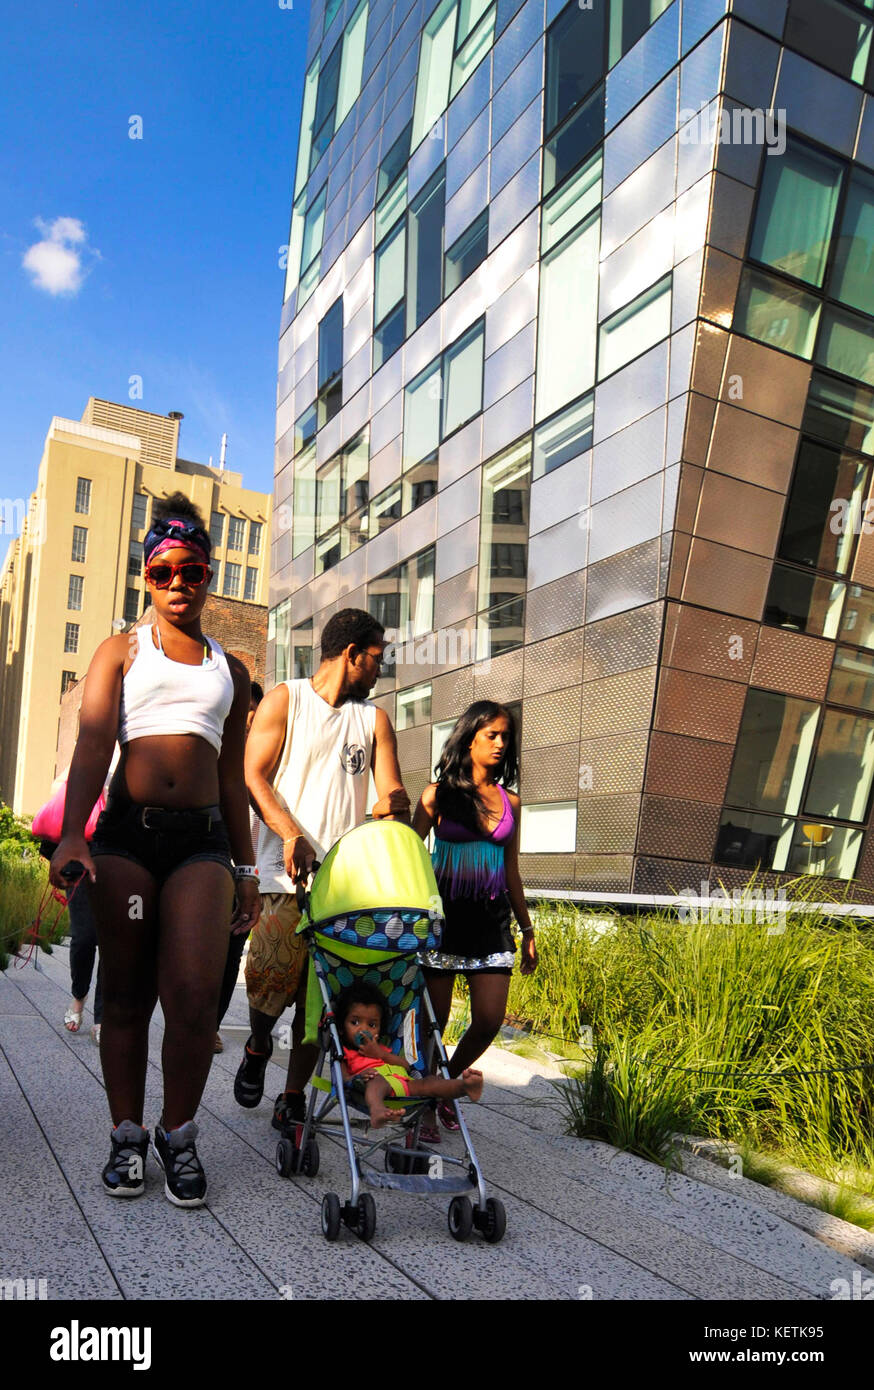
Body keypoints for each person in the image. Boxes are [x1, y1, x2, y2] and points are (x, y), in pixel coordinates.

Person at [49, 492, 260, 1206]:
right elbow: (92, 746)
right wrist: (74, 832)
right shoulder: (121, 652)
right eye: (164, 571)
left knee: (198, 996)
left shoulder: (229, 672)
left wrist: (249, 864)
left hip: (202, 843)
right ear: (147, 575)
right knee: (128, 994)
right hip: (127, 838)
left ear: (208, 575)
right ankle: (127, 1137)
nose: (179, 584)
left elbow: (232, 777)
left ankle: (178, 1136)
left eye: (192, 570)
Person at [239, 608, 410, 1132]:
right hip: (282, 874)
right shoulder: (284, 701)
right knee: (271, 976)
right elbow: (253, 774)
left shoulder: (373, 720)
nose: (381, 670)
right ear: (352, 654)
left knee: (324, 1000)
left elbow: (390, 794)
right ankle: (258, 1042)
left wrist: (396, 804)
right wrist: (292, 833)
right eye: (377, 659)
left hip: (344, 889)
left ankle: (291, 1097)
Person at [413, 701, 537, 1139]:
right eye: (492, 735)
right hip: (443, 922)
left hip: (492, 923)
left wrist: (527, 930)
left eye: (506, 736)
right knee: (435, 1023)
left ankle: (444, 1086)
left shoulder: (512, 802)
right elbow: (410, 857)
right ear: (469, 738)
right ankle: (427, 1103)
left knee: (488, 1018)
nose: (501, 743)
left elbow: (512, 869)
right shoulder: (436, 795)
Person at [335, 982, 483, 1128]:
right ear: (341, 1028)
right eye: (355, 1022)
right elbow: (345, 1079)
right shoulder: (345, 1052)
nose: (363, 1029)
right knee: (377, 1082)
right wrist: (359, 1077)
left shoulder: (381, 1048)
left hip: (404, 1083)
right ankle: (377, 1110)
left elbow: (405, 1066)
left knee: (430, 1082)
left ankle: (464, 1087)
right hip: (375, 1083)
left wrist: (380, 1054)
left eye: (372, 1025)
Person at [214, 680, 264, 1053]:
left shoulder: (267, 757)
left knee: (231, 953)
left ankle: (209, 1025)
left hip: (248, 872)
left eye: (253, 710)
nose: (248, 717)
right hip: (209, 864)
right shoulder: (212, 750)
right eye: (242, 708)